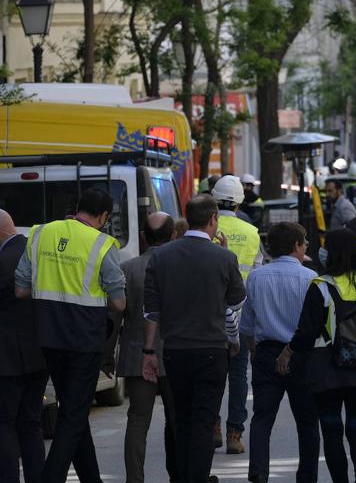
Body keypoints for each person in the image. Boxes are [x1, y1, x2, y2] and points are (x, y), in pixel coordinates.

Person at [15, 186, 127, 483]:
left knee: (73, 412)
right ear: (104, 216)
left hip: (49, 337)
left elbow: (21, 289)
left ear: (78, 207)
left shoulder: (40, 233)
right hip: (84, 340)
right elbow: (119, 302)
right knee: (73, 415)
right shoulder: (102, 243)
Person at [142, 194, 246, 483]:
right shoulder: (224, 258)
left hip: (175, 350)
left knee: (182, 419)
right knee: (204, 421)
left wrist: (149, 352)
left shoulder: (161, 256)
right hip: (212, 350)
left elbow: (151, 310)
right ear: (213, 219)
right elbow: (237, 301)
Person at [278, 228, 356, 483]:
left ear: (332, 253)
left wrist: (288, 352)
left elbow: (307, 332)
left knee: (332, 429)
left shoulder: (321, 286)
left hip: (328, 372)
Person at [240, 222, 320, 483]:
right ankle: (307, 476)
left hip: (266, 352)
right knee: (307, 421)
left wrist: (254, 350)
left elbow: (247, 325)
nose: (306, 246)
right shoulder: (310, 278)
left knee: (262, 419)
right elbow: (316, 324)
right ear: (296, 245)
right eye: (305, 241)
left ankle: (258, 472)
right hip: (302, 354)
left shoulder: (256, 277)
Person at [0, 208, 47, 483]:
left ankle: (8, 478)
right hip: (38, 356)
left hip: (5, 360)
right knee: (31, 424)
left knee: (2, 423)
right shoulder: (39, 254)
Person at [118, 212, 179, 483]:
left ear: (143, 237)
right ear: (174, 235)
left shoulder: (128, 268)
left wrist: (106, 354)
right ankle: (180, 475)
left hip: (137, 354)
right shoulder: (181, 267)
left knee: (137, 420)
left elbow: (115, 315)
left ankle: (134, 478)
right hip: (175, 355)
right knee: (177, 420)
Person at [212, 175, 265, 455]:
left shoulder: (207, 228)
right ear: (239, 202)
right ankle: (235, 434)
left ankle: (214, 428)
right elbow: (255, 277)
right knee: (238, 375)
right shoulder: (252, 232)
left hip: (209, 314)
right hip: (241, 313)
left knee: (213, 374)